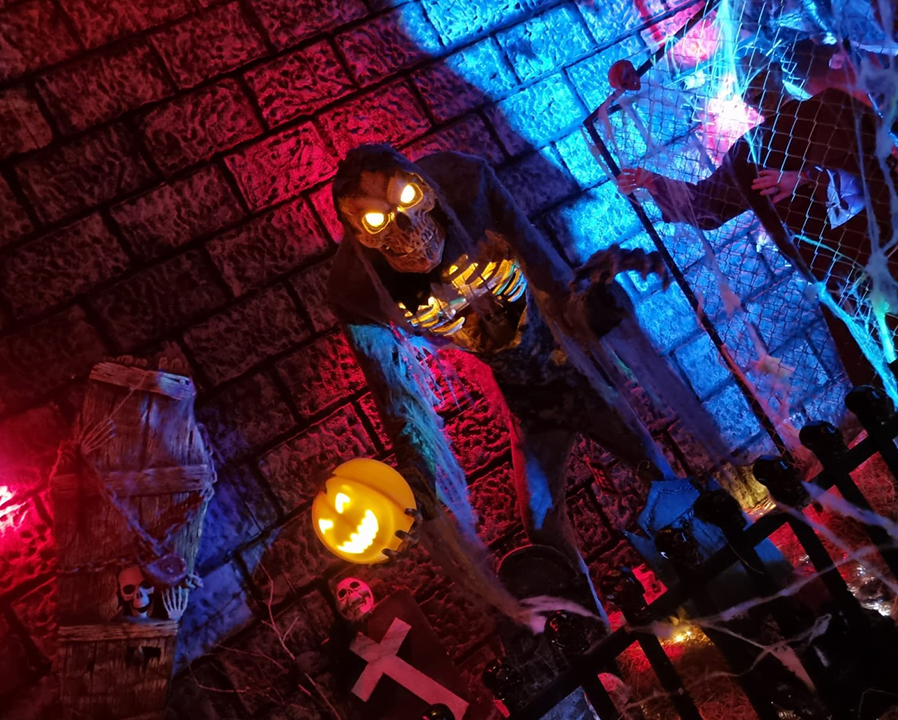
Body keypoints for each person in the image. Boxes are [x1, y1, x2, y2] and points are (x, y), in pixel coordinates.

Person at [327, 144, 731, 622]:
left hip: (572, 372)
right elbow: (397, 396)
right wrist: (416, 481)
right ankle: (594, 633)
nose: (408, 228)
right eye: (377, 222)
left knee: (661, 481)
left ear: (427, 191)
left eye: (409, 199)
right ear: (360, 235)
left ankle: (728, 577)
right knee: (542, 526)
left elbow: (551, 276)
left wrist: (599, 286)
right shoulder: (356, 290)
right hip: (528, 403)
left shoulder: (468, 185)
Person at [618, 65, 898, 384]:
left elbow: (881, 157)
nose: (758, 93)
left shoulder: (830, 107)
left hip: (878, 242)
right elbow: (708, 205)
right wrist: (653, 182)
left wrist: (807, 176)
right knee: (879, 358)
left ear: (778, 75)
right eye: (752, 88)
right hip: (841, 268)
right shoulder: (750, 151)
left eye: (760, 79)